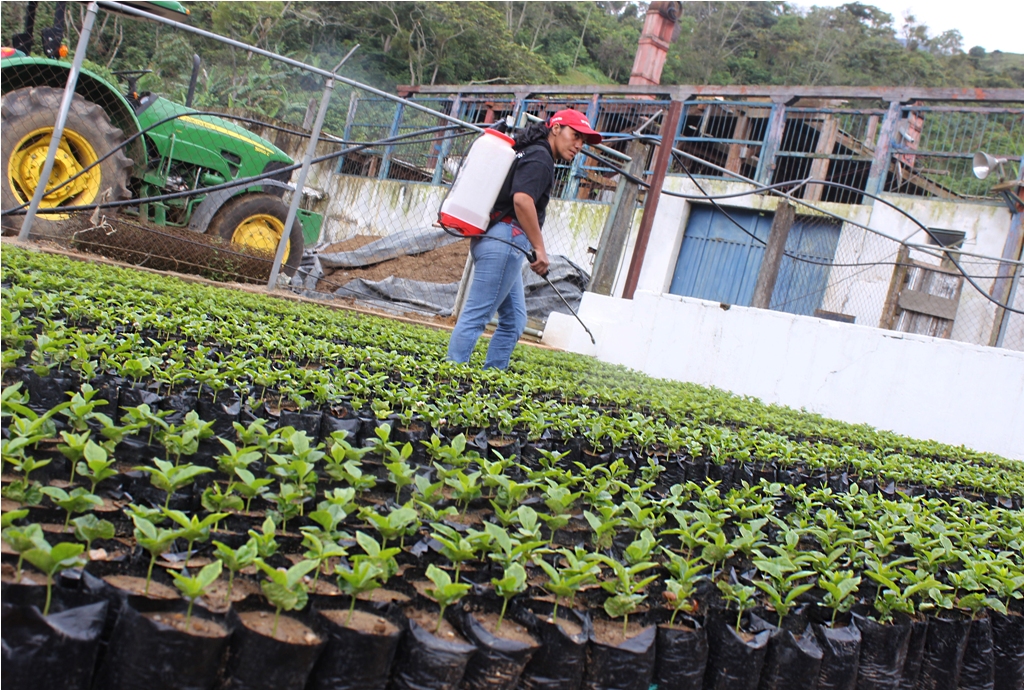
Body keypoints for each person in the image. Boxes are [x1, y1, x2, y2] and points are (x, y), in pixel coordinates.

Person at [446, 109, 602, 369]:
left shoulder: (528, 149)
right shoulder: (541, 157)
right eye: (575, 136)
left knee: (515, 321)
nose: (578, 145)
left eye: (583, 141)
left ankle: (491, 378)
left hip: (499, 238)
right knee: (476, 316)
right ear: (556, 128)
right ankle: (447, 380)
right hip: (506, 240)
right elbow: (522, 200)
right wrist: (540, 248)